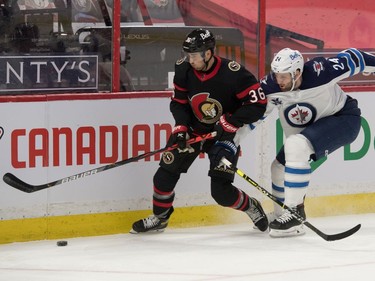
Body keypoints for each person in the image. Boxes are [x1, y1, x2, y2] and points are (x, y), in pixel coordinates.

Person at [131, 28, 268, 233]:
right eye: (188, 54)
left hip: (224, 135)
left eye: (194, 55)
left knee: (221, 193)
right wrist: (181, 127)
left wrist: (231, 122)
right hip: (194, 131)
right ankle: (160, 218)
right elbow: (179, 103)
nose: (190, 59)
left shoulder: (234, 74)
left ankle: (251, 206)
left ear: (208, 53)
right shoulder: (183, 69)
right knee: (163, 176)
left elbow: (258, 104)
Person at [257, 47, 375, 238]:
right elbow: (251, 117)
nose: (279, 81)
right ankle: (283, 216)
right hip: (310, 130)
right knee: (278, 168)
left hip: (344, 119)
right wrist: (227, 141)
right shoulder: (269, 88)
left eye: (284, 76)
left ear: (297, 72)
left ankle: (295, 213)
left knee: (295, 145)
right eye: (277, 75)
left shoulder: (321, 71)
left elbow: (355, 57)